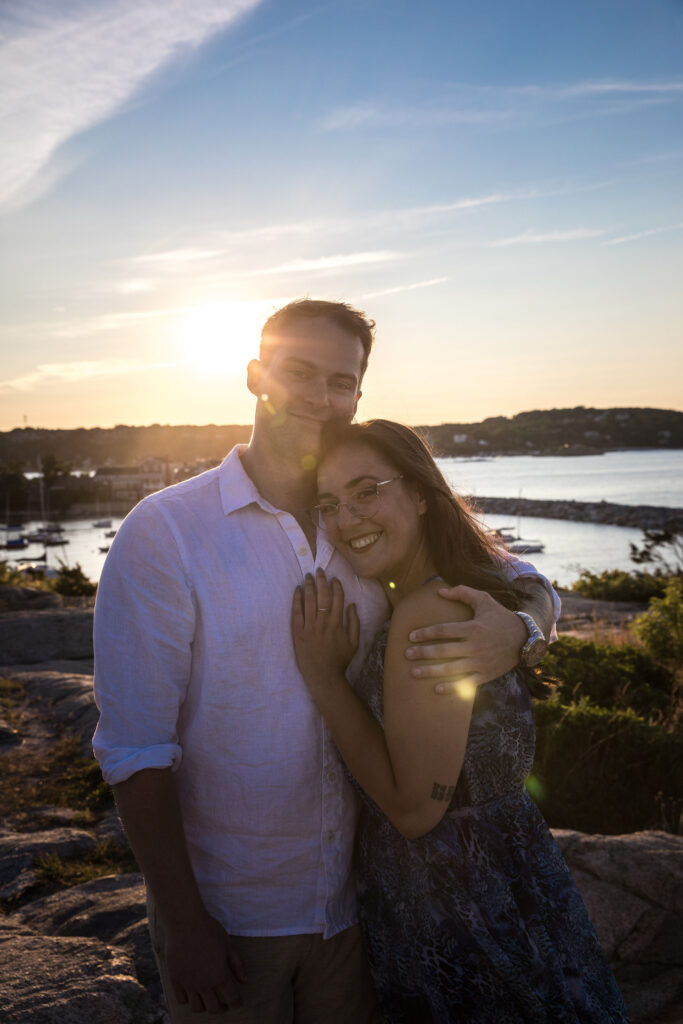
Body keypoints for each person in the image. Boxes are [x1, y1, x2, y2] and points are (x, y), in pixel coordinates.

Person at [93, 299, 559, 1023]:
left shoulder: (357, 523)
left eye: (339, 381)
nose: (318, 395)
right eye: (297, 372)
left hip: (358, 910)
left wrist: (525, 628)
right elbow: (135, 749)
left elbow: (509, 570)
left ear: (357, 396)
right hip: (232, 916)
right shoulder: (166, 533)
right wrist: (183, 923)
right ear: (255, 375)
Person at [291, 418, 629, 1024]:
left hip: (455, 901)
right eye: (329, 503)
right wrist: (533, 620)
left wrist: (324, 680)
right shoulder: (469, 587)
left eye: (368, 491)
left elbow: (415, 811)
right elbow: (528, 582)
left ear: (421, 494)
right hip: (512, 876)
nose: (346, 520)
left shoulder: (426, 614)